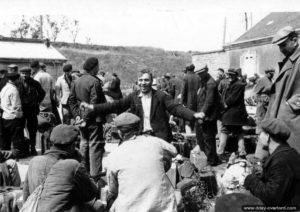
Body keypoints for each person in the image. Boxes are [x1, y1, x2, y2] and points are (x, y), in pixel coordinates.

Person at [80, 68, 204, 143]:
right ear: (137, 81)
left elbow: (176, 108)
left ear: (151, 81)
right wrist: (93, 107)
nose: (143, 83)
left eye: (146, 80)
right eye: (141, 80)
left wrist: (193, 114)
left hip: (158, 137)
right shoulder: (134, 96)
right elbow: (115, 105)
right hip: (138, 136)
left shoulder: (161, 96)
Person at [106, 112, 178, 212]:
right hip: (164, 208)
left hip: (131, 209)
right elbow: (173, 151)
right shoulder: (155, 142)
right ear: (139, 129)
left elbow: (113, 190)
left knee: (111, 198)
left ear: (119, 133)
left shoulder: (113, 156)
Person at [23, 124, 104, 212]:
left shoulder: (34, 161)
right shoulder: (71, 165)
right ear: (72, 146)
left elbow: (26, 195)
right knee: (98, 206)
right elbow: (91, 193)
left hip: (33, 209)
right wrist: (81, 163)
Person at [244, 118, 300, 207]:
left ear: (267, 136)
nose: (258, 136)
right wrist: (265, 174)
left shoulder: (282, 160)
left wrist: (251, 180)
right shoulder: (286, 152)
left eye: (261, 133)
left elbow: (271, 197)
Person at [263, 26, 300, 154]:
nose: (281, 49)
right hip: (283, 119)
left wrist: (290, 105)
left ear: (294, 40)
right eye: (279, 46)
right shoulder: (289, 60)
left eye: (283, 45)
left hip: (292, 120)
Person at [68, 57, 107, 178]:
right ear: (94, 67)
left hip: (81, 118)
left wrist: (78, 115)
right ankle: (95, 174)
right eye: (98, 66)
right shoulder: (94, 81)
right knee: (95, 145)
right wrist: (85, 116)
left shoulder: (76, 81)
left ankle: (83, 171)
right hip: (93, 119)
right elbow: (93, 102)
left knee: (84, 143)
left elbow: (71, 100)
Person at [217, 69, 248, 160]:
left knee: (224, 131)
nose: (229, 76)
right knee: (239, 132)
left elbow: (232, 99)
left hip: (232, 113)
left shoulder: (238, 85)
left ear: (236, 75)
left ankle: (220, 152)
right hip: (237, 114)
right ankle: (242, 152)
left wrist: (224, 104)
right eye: (228, 75)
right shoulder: (235, 84)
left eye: (231, 75)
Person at [195, 64, 220, 166]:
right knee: (203, 138)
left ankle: (211, 161)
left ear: (206, 71)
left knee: (208, 139)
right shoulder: (204, 81)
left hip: (208, 116)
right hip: (203, 114)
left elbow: (209, 102)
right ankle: (209, 158)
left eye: (201, 73)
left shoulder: (210, 83)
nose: (200, 75)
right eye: (198, 74)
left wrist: (202, 113)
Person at [19, 67, 45, 155]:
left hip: (32, 110)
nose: (24, 75)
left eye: (26, 73)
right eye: (23, 73)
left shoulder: (35, 83)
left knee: (32, 130)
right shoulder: (18, 83)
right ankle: (23, 149)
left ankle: (33, 148)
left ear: (30, 74)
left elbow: (42, 93)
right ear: (20, 74)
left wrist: (37, 101)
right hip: (21, 110)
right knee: (20, 129)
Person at [0, 72, 24, 158]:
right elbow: (17, 106)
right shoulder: (14, 90)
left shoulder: (4, 88)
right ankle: (16, 156)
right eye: (19, 79)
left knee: (5, 138)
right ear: (16, 79)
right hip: (13, 117)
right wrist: (20, 115)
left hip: (4, 116)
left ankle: (4, 156)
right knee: (16, 138)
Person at [181, 64, 201, 134]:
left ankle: (189, 139)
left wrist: (182, 103)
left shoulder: (185, 77)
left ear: (187, 69)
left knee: (188, 121)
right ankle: (197, 138)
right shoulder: (198, 76)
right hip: (198, 101)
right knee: (197, 119)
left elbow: (183, 91)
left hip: (188, 102)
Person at [254, 68, 275, 134]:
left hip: (269, 101)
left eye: (273, 74)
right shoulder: (262, 80)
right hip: (262, 101)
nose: (272, 75)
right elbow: (256, 92)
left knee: (267, 117)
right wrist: (259, 101)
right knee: (260, 117)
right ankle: (259, 133)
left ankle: (265, 132)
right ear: (266, 73)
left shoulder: (270, 80)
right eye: (270, 74)